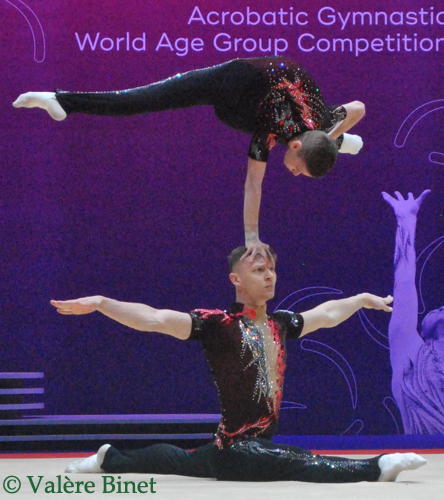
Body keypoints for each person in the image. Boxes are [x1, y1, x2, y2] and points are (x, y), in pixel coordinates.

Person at [50, 247, 426, 482]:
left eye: (271, 269)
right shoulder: (218, 325)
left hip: (238, 446)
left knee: (181, 461)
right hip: (238, 447)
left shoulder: (280, 324)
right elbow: (154, 318)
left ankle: (109, 458)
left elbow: (326, 314)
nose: (269, 275)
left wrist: (360, 299)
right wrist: (102, 303)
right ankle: (375, 467)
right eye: (259, 270)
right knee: (295, 460)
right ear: (236, 279)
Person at [13, 57, 365, 255]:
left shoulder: (321, 122)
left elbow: (358, 107)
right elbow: (253, 185)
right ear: (297, 147)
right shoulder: (272, 127)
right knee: (143, 99)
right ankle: (60, 100)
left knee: (325, 132)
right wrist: (252, 238)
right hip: (230, 84)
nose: (295, 175)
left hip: (266, 99)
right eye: (300, 171)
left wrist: (330, 138)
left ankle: (340, 142)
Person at [382, 189, 444, 433]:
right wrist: (406, 222)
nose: (441, 307)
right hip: (424, 447)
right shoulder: (409, 351)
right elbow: (404, 283)